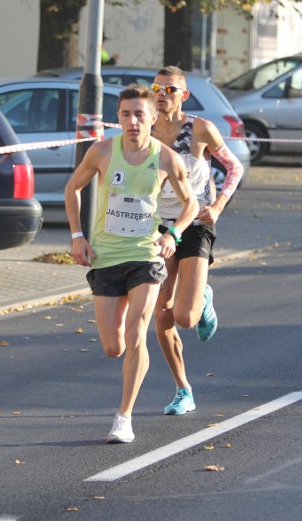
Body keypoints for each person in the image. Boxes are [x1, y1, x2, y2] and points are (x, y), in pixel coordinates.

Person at [65, 84, 198, 443]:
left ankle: (123, 418)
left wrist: (173, 235)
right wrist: (78, 236)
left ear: (153, 118)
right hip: (107, 257)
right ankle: (123, 363)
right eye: (126, 114)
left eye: (140, 114)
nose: (133, 121)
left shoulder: (166, 157)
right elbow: (72, 189)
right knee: (114, 347)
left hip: (145, 255)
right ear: (119, 118)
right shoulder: (103, 152)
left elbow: (191, 205)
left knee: (138, 331)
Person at [151, 65, 244, 416]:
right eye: (157, 88)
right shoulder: (144, 131)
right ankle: (183, 389)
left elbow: (235, 167)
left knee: (186, 318)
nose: (162, 94)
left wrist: (219, 204)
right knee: (161, 316)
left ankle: (202, 296)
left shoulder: (200, 129)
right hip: (158, 227)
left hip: (196, 223)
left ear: (183, 95)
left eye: (170, 89)